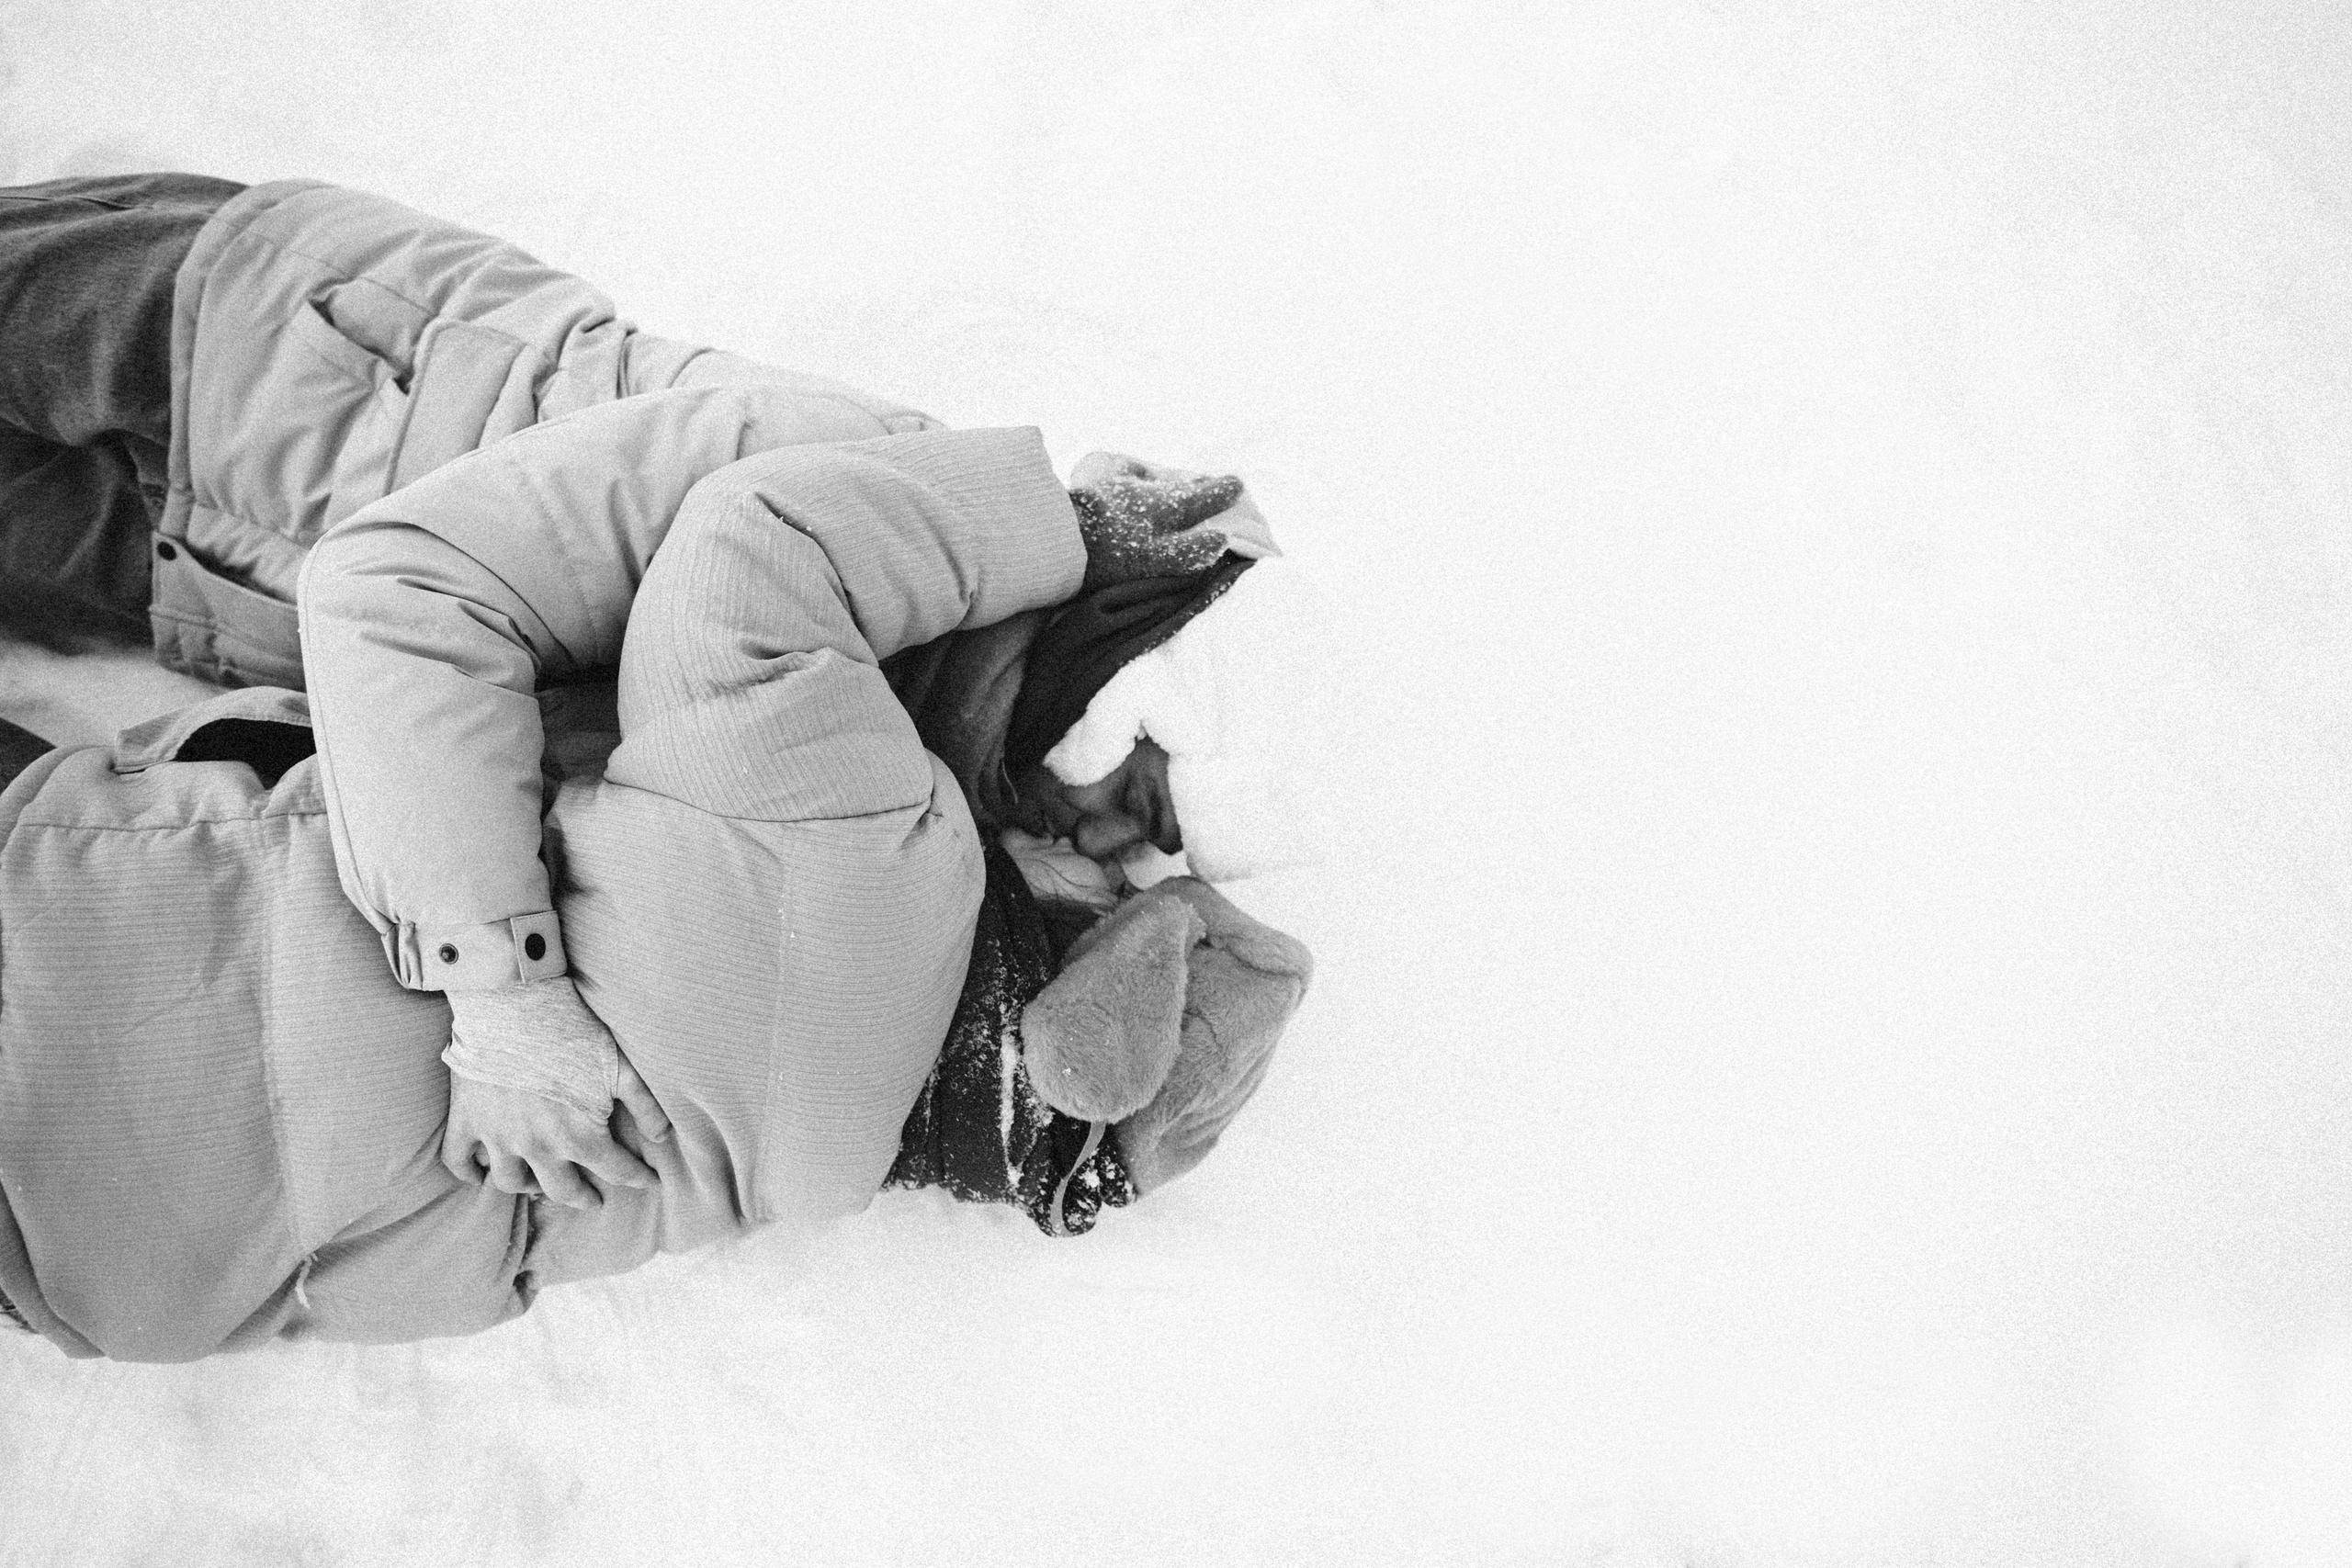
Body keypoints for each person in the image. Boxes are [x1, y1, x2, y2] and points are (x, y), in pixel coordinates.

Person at [2, 170, 1301, 1226]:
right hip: (262, 359)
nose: (1106, 848)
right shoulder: (882, 497)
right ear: (1119, 704)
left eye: (1136, 856)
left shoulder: (909, 763)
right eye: (1138, 802)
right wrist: (500, 989)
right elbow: (412, 597)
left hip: (219, 586)